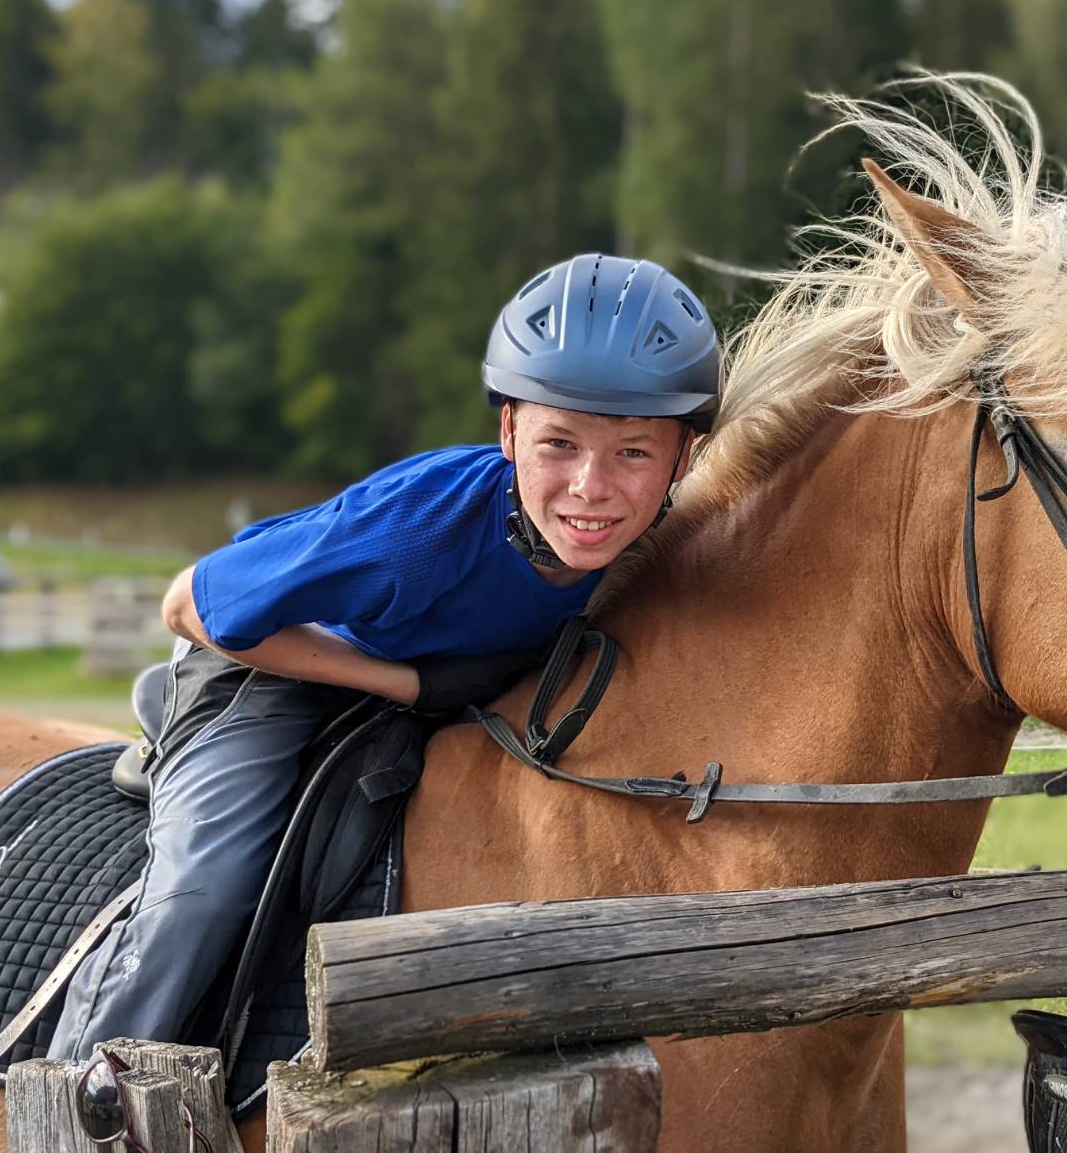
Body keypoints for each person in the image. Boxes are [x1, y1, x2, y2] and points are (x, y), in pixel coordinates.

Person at [48, 253, 721, 1060]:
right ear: (509, 430)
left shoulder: (661, 547)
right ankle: (82, 1086)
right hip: (268, 670)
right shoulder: (416, 531)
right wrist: (405, 683)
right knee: (204, 891)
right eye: (559, 444)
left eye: (634, 454)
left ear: (684, 458)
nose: (591, 488)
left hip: (438, 688)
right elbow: (188, 604)